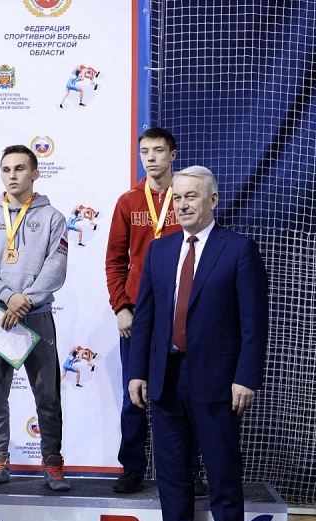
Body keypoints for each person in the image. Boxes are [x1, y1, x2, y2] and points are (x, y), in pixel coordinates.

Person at [128, 166, 268, 521]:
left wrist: (246, 377)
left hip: (219, 382)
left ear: (213, 199)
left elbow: (254, 322)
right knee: (171, 477)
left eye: (191, 196)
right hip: (165, 379)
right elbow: (144, 318)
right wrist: (137, 372)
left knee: (223, 477)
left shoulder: (238, 249)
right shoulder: (159, 250)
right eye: (177, 197)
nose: (182, 204)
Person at [105, 128, 206, 495]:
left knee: (183, 394)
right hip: (137, 314)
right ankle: (132, 467)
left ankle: (188, 471)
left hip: (180, 314)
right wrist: (121, 306)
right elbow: (114, 260)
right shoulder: (128, 201)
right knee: (133, 394)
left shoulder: (186, 199)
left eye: (159, 150)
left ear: (173, 155)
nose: (150, 158)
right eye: (144, 151)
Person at [0, 144, 71, 491]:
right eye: (6, 169)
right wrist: (7, 298)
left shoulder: (53, 218)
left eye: (19, 169)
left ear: (35, 173)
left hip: (37, 316)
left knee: (47, 396)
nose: (12, 176)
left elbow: (55, 268)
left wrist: (23, 302)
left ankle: (52, 464)